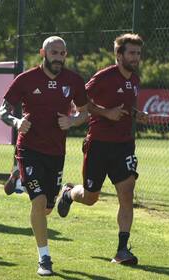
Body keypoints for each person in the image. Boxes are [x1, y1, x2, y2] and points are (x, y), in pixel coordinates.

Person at [0, 36, 88, 276]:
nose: (58, 57)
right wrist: (17, 122)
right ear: (43, 53)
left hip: (56, 152)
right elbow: (3, 110)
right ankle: (44, 259)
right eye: (54, 52)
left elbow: (85, 112)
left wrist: (73, 120)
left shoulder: (74, 81)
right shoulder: (26, 79)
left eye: (62, 53)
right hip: (29, 149)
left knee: (48, 208)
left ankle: (19, 179)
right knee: (37, 203)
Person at [57, 33, 149, 265]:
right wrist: (106, 112)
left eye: (138, 53)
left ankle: (122, 251)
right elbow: (80, 101)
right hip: (98, 144)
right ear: (118, 55)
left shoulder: (135, 80)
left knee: (126, 194)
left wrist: (136, 115)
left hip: (124, 146)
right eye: (131, 53)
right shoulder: (104, 77)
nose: (136, 58)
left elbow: (126, 106)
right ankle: (68, 193)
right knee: (90, 198)